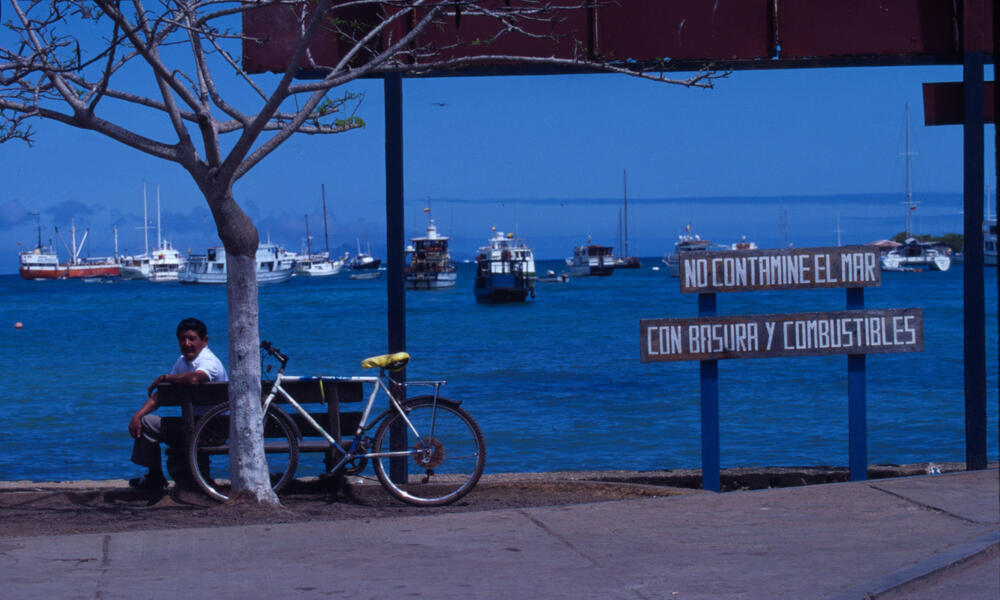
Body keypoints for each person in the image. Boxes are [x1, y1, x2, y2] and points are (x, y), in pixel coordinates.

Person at [128, 317, 227, 490]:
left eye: (191, 339)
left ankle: (158, 479)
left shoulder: (210, 362)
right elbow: (162, 395)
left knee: (149, 424)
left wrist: (166, 377)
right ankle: (156, 477)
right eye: (182, 339)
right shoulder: (182, 362)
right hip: (194, 426)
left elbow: (195, 378)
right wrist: (138, 415)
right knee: (144, 421)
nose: (186, 343)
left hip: (213, 429)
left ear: (204, 341)